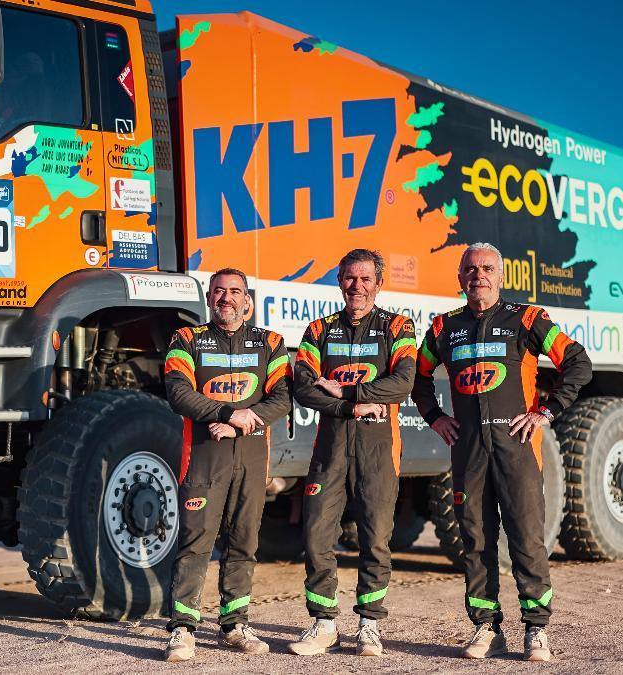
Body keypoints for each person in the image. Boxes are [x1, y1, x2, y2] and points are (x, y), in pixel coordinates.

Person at [411, 243, 592, 662]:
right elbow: (417, 379)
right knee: (475, 539)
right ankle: (486, 629)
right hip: (468, 452)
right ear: (460, 278)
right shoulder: (443, 328)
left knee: (527, 539)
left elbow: (578, 362)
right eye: (471, 269)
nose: (479, 275)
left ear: (501, 276)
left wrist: (546, 411)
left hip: (519, 451)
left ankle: (536, 630)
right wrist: (435, 417)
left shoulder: (527, 319)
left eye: (487, 268)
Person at [287, 249, 417, 657]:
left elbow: (403, 383)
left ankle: (368, 625)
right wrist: (349, 407)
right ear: (339, 281)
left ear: (379, 283)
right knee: (315, 534)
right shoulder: (319, 329)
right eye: (349, 278)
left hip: (379, 448)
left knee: (375, 538)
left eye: (365, 279)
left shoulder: (398, 326)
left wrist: (345, 391)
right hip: (330, 449)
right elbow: (304, 387)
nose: (356, 287)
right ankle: (324, 623)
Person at [162, 268, 292, 662]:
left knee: (243, 543)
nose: (226, 298)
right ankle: (183, 629)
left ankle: (235, 625)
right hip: (204, 457)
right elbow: (178, 392)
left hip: (251, 457)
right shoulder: (186, 340)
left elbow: (284, 397)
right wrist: (225, 411)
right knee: (195, 542)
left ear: (247, 299)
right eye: (218, 291)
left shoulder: (270, 342)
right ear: (209, 298)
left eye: (234, 291)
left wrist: (239, 422)